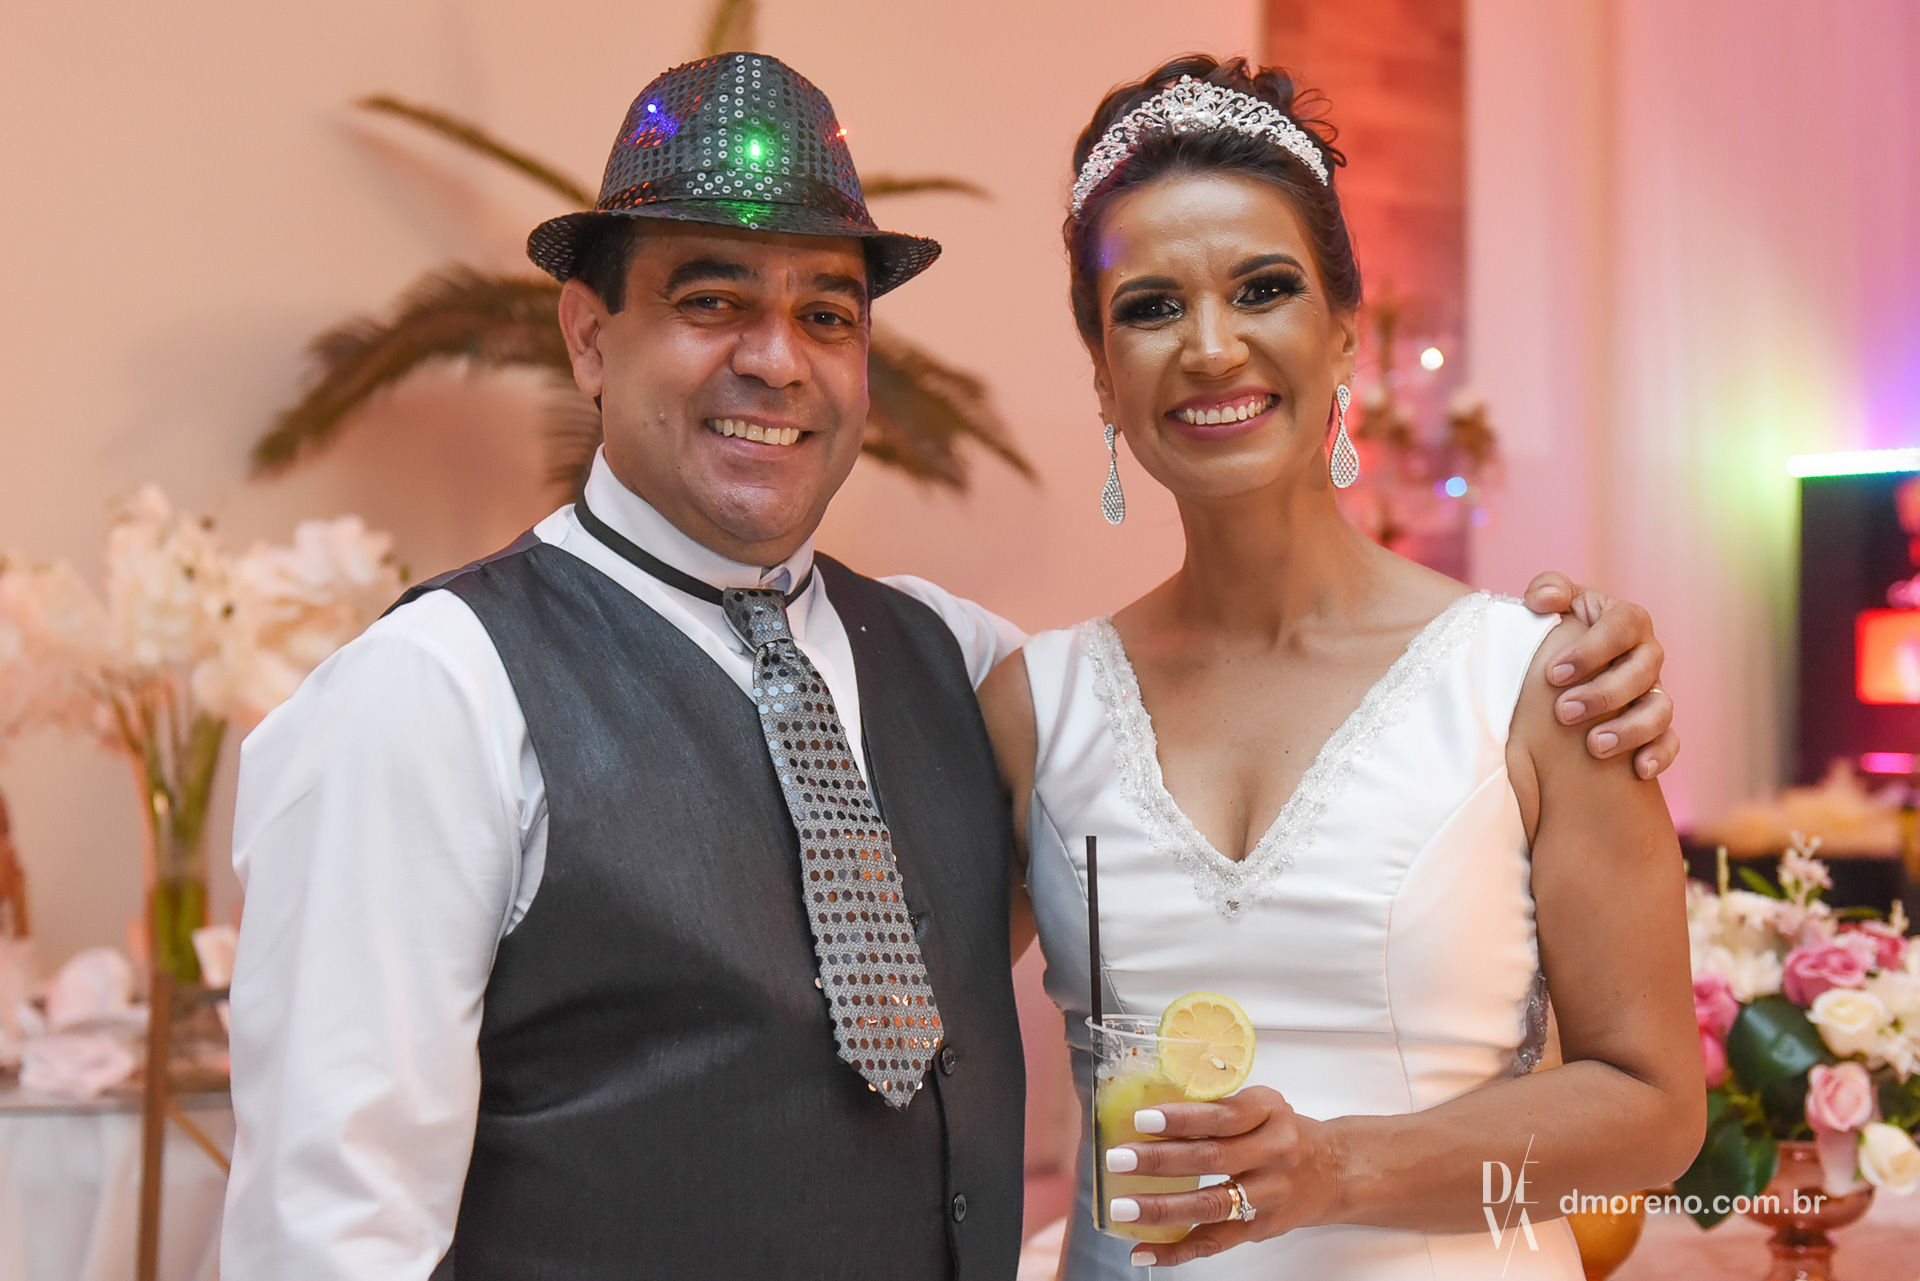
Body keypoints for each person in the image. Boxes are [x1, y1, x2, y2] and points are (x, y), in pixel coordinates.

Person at [221, 53, 1679, 1281]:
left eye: (827, 314)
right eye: (711, 301)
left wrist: (1587, 656)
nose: (776, 361)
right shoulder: (430, 697)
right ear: (589, 338)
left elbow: (1650, 1102)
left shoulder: (956, 665)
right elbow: (328, 1234)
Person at [978, 56, 1704, 1280]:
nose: (1212, 346)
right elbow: (890, 1032)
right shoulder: (1030, 707)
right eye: (1150, 308)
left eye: (1264, 289)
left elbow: (1656, 1111)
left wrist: (1339, 1169)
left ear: (1342, 334)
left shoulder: (1541, 685)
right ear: (1103, 372)